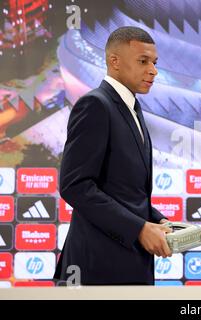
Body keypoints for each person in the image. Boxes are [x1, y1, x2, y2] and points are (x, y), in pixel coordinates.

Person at [54, 26, 172, 285]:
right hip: (96, 269)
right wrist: (139, 229)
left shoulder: (133, 107)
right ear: (114, 61)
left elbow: (123, 191)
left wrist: (157, 220)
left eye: (154, 62)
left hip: (129, 266)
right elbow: (75, 185)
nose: (153, 70)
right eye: (143, 61)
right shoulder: (95, 105)